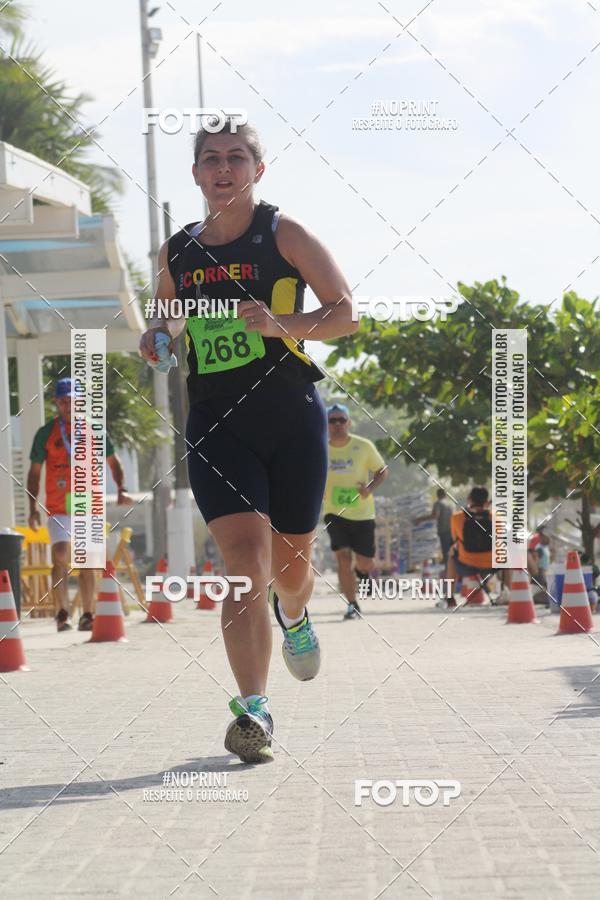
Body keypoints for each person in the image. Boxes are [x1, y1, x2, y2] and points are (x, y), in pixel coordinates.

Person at [139, 119, 356, 763]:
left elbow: (345, 313)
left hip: (290, 418)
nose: (223, 168)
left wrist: (279, 323)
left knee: (290, 573)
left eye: (236, 157)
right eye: (211, 158)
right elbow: (166, 316)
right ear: (197, 174)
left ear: (258, 170)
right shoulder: (177, 251)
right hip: (215, 423)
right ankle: (254, 710)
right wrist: (157, 338)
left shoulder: (284, 234)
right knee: (242, 566)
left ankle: (295, 614)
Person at [26, 378, 133, 631]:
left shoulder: (96, 430)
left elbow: (114, 462)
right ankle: (62, 613)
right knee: (61, 554)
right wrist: (32, 508)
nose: (68, 405)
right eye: (63, 401)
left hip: (88, 505)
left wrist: (121, 488)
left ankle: (87, 615)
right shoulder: (45, 433)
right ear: (56, 402)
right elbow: (34, 473)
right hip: (58, 505)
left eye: (73, 400)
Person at [323, 404, 388, 620]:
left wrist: (369, 488)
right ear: (327, 424)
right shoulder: (320, 447)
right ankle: (352, 604)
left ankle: (362, 572)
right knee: (342, 557)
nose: (337, 424)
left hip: (362, 513)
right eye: (332, 420)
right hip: (333, 512)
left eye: (341, 420)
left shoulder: (363, 446)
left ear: (349, 423)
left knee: (365, 562)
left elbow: (382, 470)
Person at [446, 485, 511, 607]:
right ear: (486, 501)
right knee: (506, 554)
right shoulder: (496, 518)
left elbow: (455, 540)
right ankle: (506, 591)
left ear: (469, 499)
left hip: (466, 564)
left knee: (451, 557)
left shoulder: (456, 518)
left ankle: (450, 597)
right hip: (491, 565)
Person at [414, 487, 453, 574]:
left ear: (437, 495)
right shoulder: (450, 504)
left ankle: (447, 570)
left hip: (443, 530)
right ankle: (449, 569)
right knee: (449, 550)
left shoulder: (438, 504)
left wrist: (420, 519)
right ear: (445, 495)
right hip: (451, 530)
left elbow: (435, 515)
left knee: (445, 550)